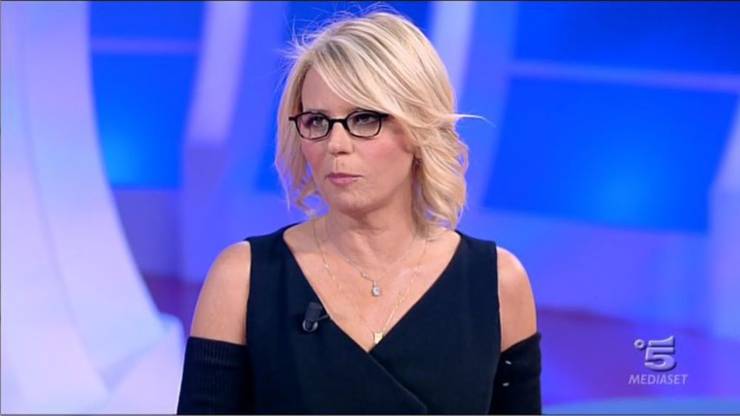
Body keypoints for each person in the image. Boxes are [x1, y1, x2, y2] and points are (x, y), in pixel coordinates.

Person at [177, 9, 541, 415]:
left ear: (418, 128)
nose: (336, 144)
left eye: (364, 119)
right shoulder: (242, 278)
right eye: (317, 121)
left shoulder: (498, 283)